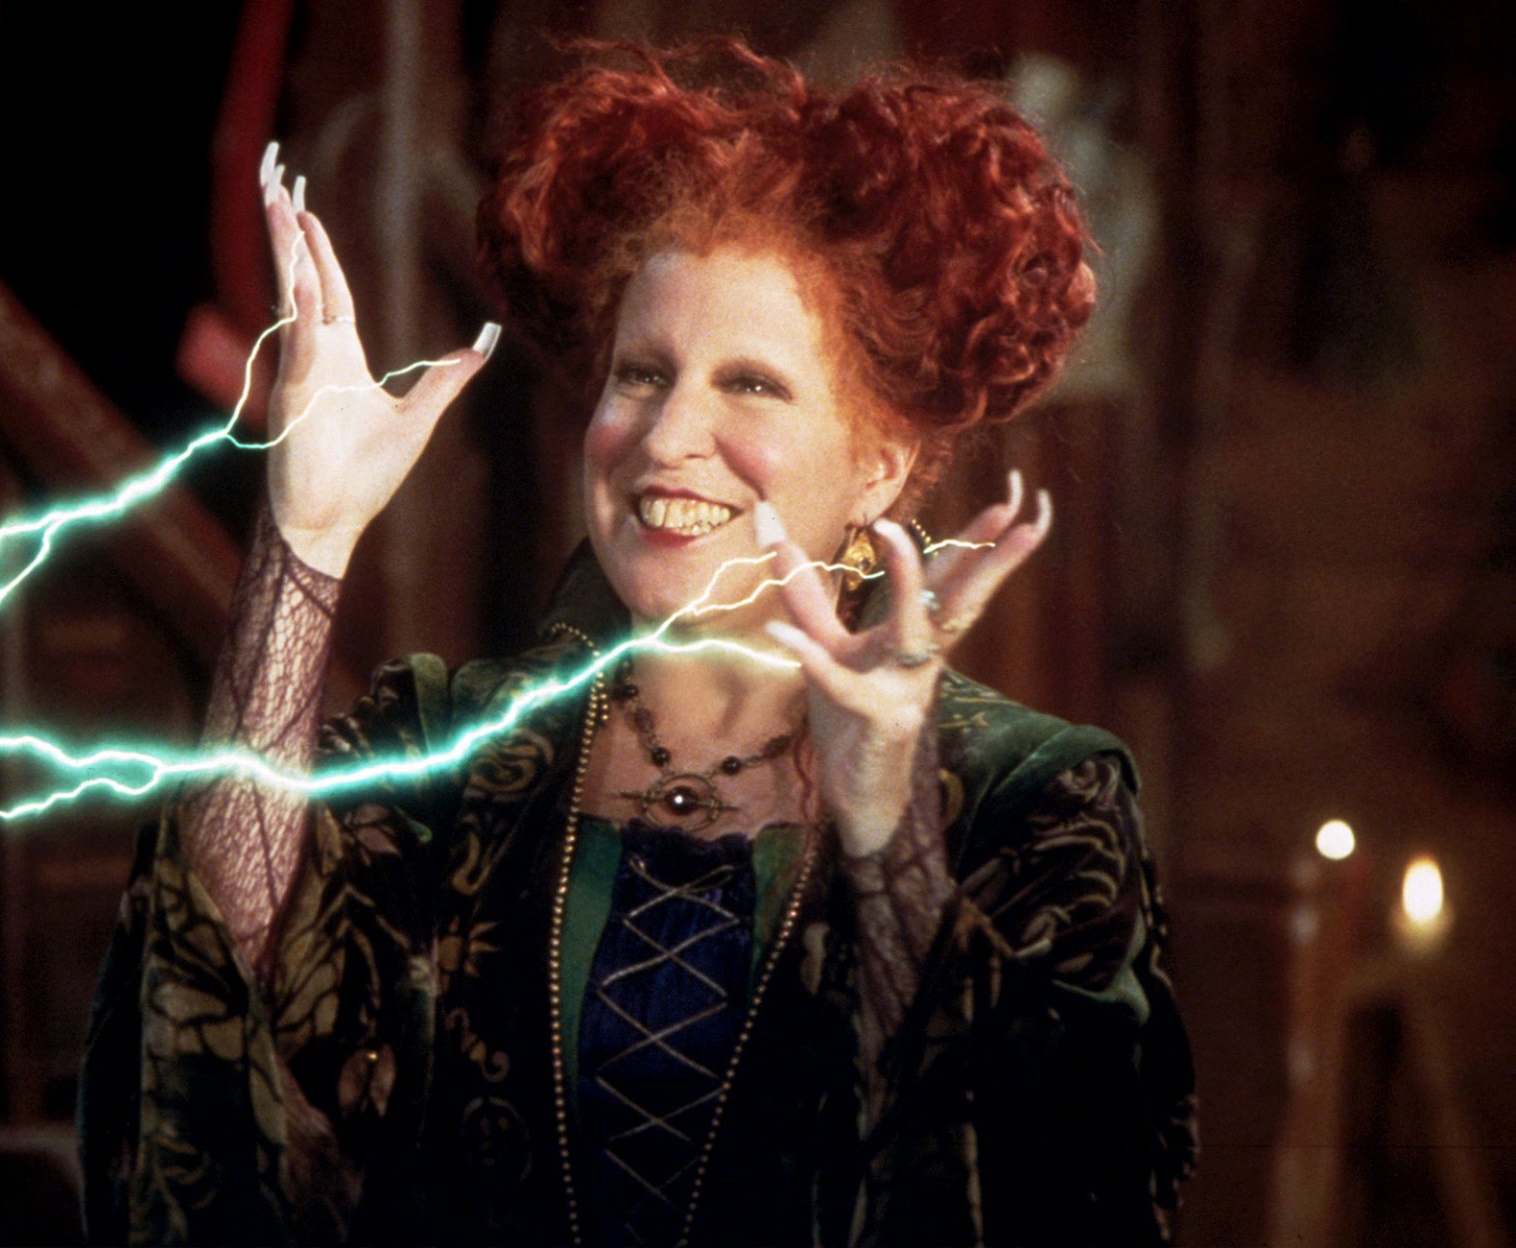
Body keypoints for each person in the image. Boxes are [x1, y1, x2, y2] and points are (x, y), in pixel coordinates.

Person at [79, 39, 1197, 1247]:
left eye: (749, 385)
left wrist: (887, 830)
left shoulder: (1039, 805)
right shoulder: (449, 754)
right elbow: (216, 1001)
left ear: (878, 463)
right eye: (641, 373)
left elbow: (1056, 1189)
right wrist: (304, 539)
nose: (666, 438)